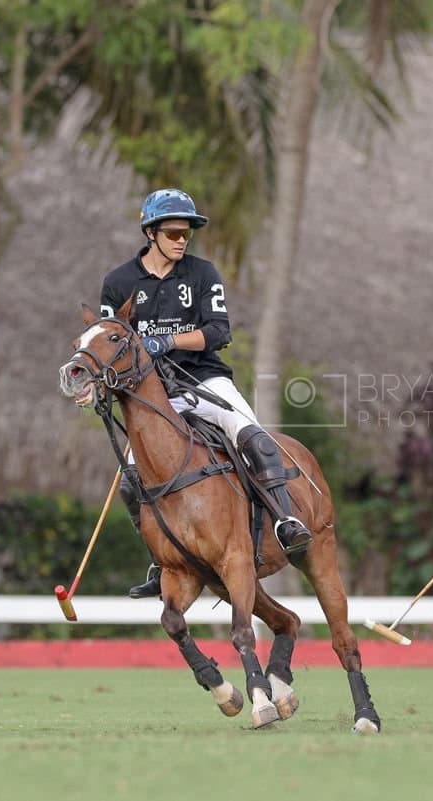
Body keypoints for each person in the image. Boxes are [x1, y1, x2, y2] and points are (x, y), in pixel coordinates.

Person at [101, 188, 312, 599]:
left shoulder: (202, 274)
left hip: (205, 380)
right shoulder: (118, 283)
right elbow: (110, 346)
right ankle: (160, 558)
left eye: (187, 233)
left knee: (253, 435)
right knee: (130, 481)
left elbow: (219, 332)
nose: (182, 239)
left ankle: (287, 522)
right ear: (151, 232)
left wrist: (168, 342)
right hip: (155, 395)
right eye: (174, 232)